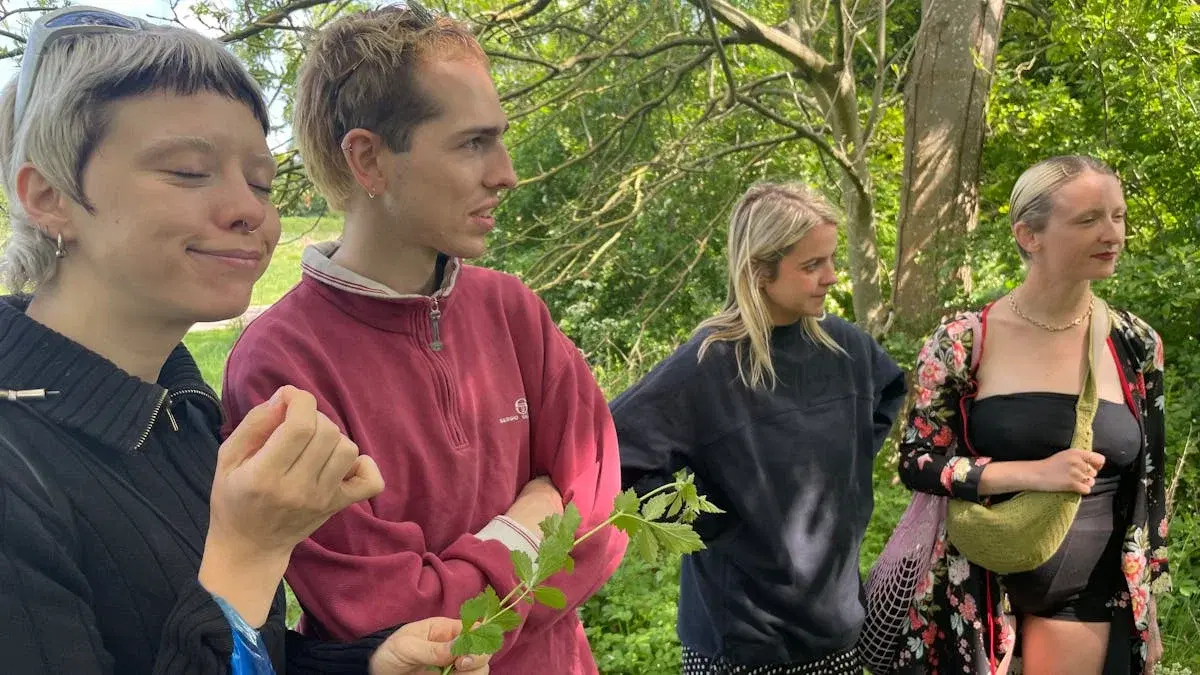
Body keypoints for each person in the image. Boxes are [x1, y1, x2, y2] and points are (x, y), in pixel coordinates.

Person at [0, 6, 489, 674]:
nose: (249, 209)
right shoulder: (15, 476)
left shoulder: (183, 409)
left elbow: (254, 654)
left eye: (260, 180)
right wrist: (247, 556)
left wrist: (369, 664)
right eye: (187, 171)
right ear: (50, 196)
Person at [220, 4, 627, 673]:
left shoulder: (513, 312)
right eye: (473, 143)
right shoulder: (281, 366)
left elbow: (602, 514)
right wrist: (530, 521)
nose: (507, 173)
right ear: (369, 159)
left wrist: (461, 585)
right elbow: (392, 621)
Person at [611, 181, 907, 674]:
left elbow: (887, 396)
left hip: (836, 627)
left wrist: (841, 471)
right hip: (740, 641)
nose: (831, 277)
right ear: (758, 271)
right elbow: (611, 451)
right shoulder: (709, 364)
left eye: (831, 260)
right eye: (812, 265)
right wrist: (709, 521)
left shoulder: (847, 349)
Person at [894, 155, 1168, 675]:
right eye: (1088, 219)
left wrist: (1146, 600)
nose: (1112, 233)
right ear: (1028, 235)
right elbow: (917, 461)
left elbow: (1148, 485)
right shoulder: (964, 341)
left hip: (1089, 599)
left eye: (1118, 216)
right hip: (976, 595)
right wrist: (1028, 474)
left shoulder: (1135, 344)